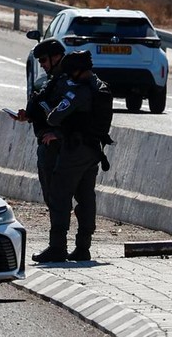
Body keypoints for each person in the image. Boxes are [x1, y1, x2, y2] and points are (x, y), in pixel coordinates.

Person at [32, 50, 114, 263]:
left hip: (74, 150)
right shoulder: (101, 87)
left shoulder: (78, 92)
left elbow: (54, 117)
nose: (68, 76)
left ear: (77, 71)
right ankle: (83, 247)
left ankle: (57, 247)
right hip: (93, 150)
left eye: (70, 73)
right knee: (86, 198)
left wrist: (43, 106)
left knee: (59, 194)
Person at [11, 38, 66, 210]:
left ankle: (61, 234)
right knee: (52, 197)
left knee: (59, 197)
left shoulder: (66, 83)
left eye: (43, 60)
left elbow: (74, 115)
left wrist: (59, 134)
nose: (41, 64)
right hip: (49, 144)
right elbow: (43, 107)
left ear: (56, 57)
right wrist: (27, 116)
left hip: (61, 146)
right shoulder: (52, 81)